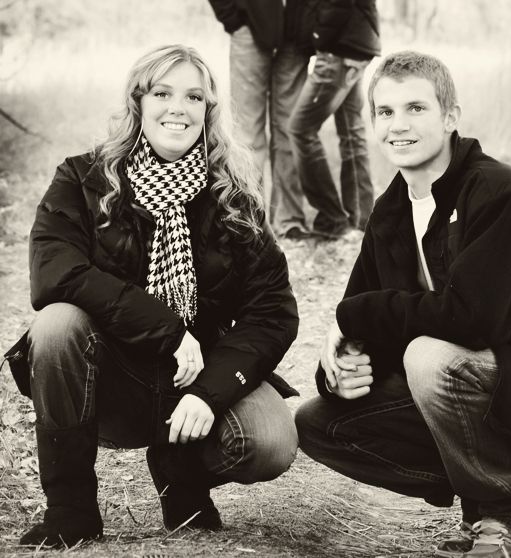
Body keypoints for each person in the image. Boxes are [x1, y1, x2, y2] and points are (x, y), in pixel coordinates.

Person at [295, 51, 511, 557]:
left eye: (416, 108)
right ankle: (509, 490)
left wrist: (352, 317)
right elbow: (366, 322)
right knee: (319, 423)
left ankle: (510, 509)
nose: (399, 125)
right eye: (385, 112)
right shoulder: (391, 210)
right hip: (478, 389)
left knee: (430, 357)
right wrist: (341, 372)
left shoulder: (499, 193)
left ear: (450, 116)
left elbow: (471, 321)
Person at [5, 45, 299, 548]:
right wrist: (169, 330)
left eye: (193, 97)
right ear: (138, 101)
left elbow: (271, 311)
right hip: (111, 374)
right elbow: (56, 273)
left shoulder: (233, 195)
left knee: (270, 442)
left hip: (197, 373)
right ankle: (72, 511)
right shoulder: (83, 179)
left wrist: (211, 391)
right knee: (56, 324)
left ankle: (179, 473)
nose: (177, 108)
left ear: (208, 110)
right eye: (162, 93)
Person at [201, 0, 323, 240]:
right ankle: (250, 221)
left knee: (289, 132)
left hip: (296, 45)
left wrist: (311, 31)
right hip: (250, 38)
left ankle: (289, 221)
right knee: (249, 134)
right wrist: (235, 23)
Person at [289, 0, 380, 239]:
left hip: (340, 49)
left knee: (300, 128)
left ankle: (332, 219)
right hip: (357, 47)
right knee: (351, 132)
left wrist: (319, 37)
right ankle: (363, 221)